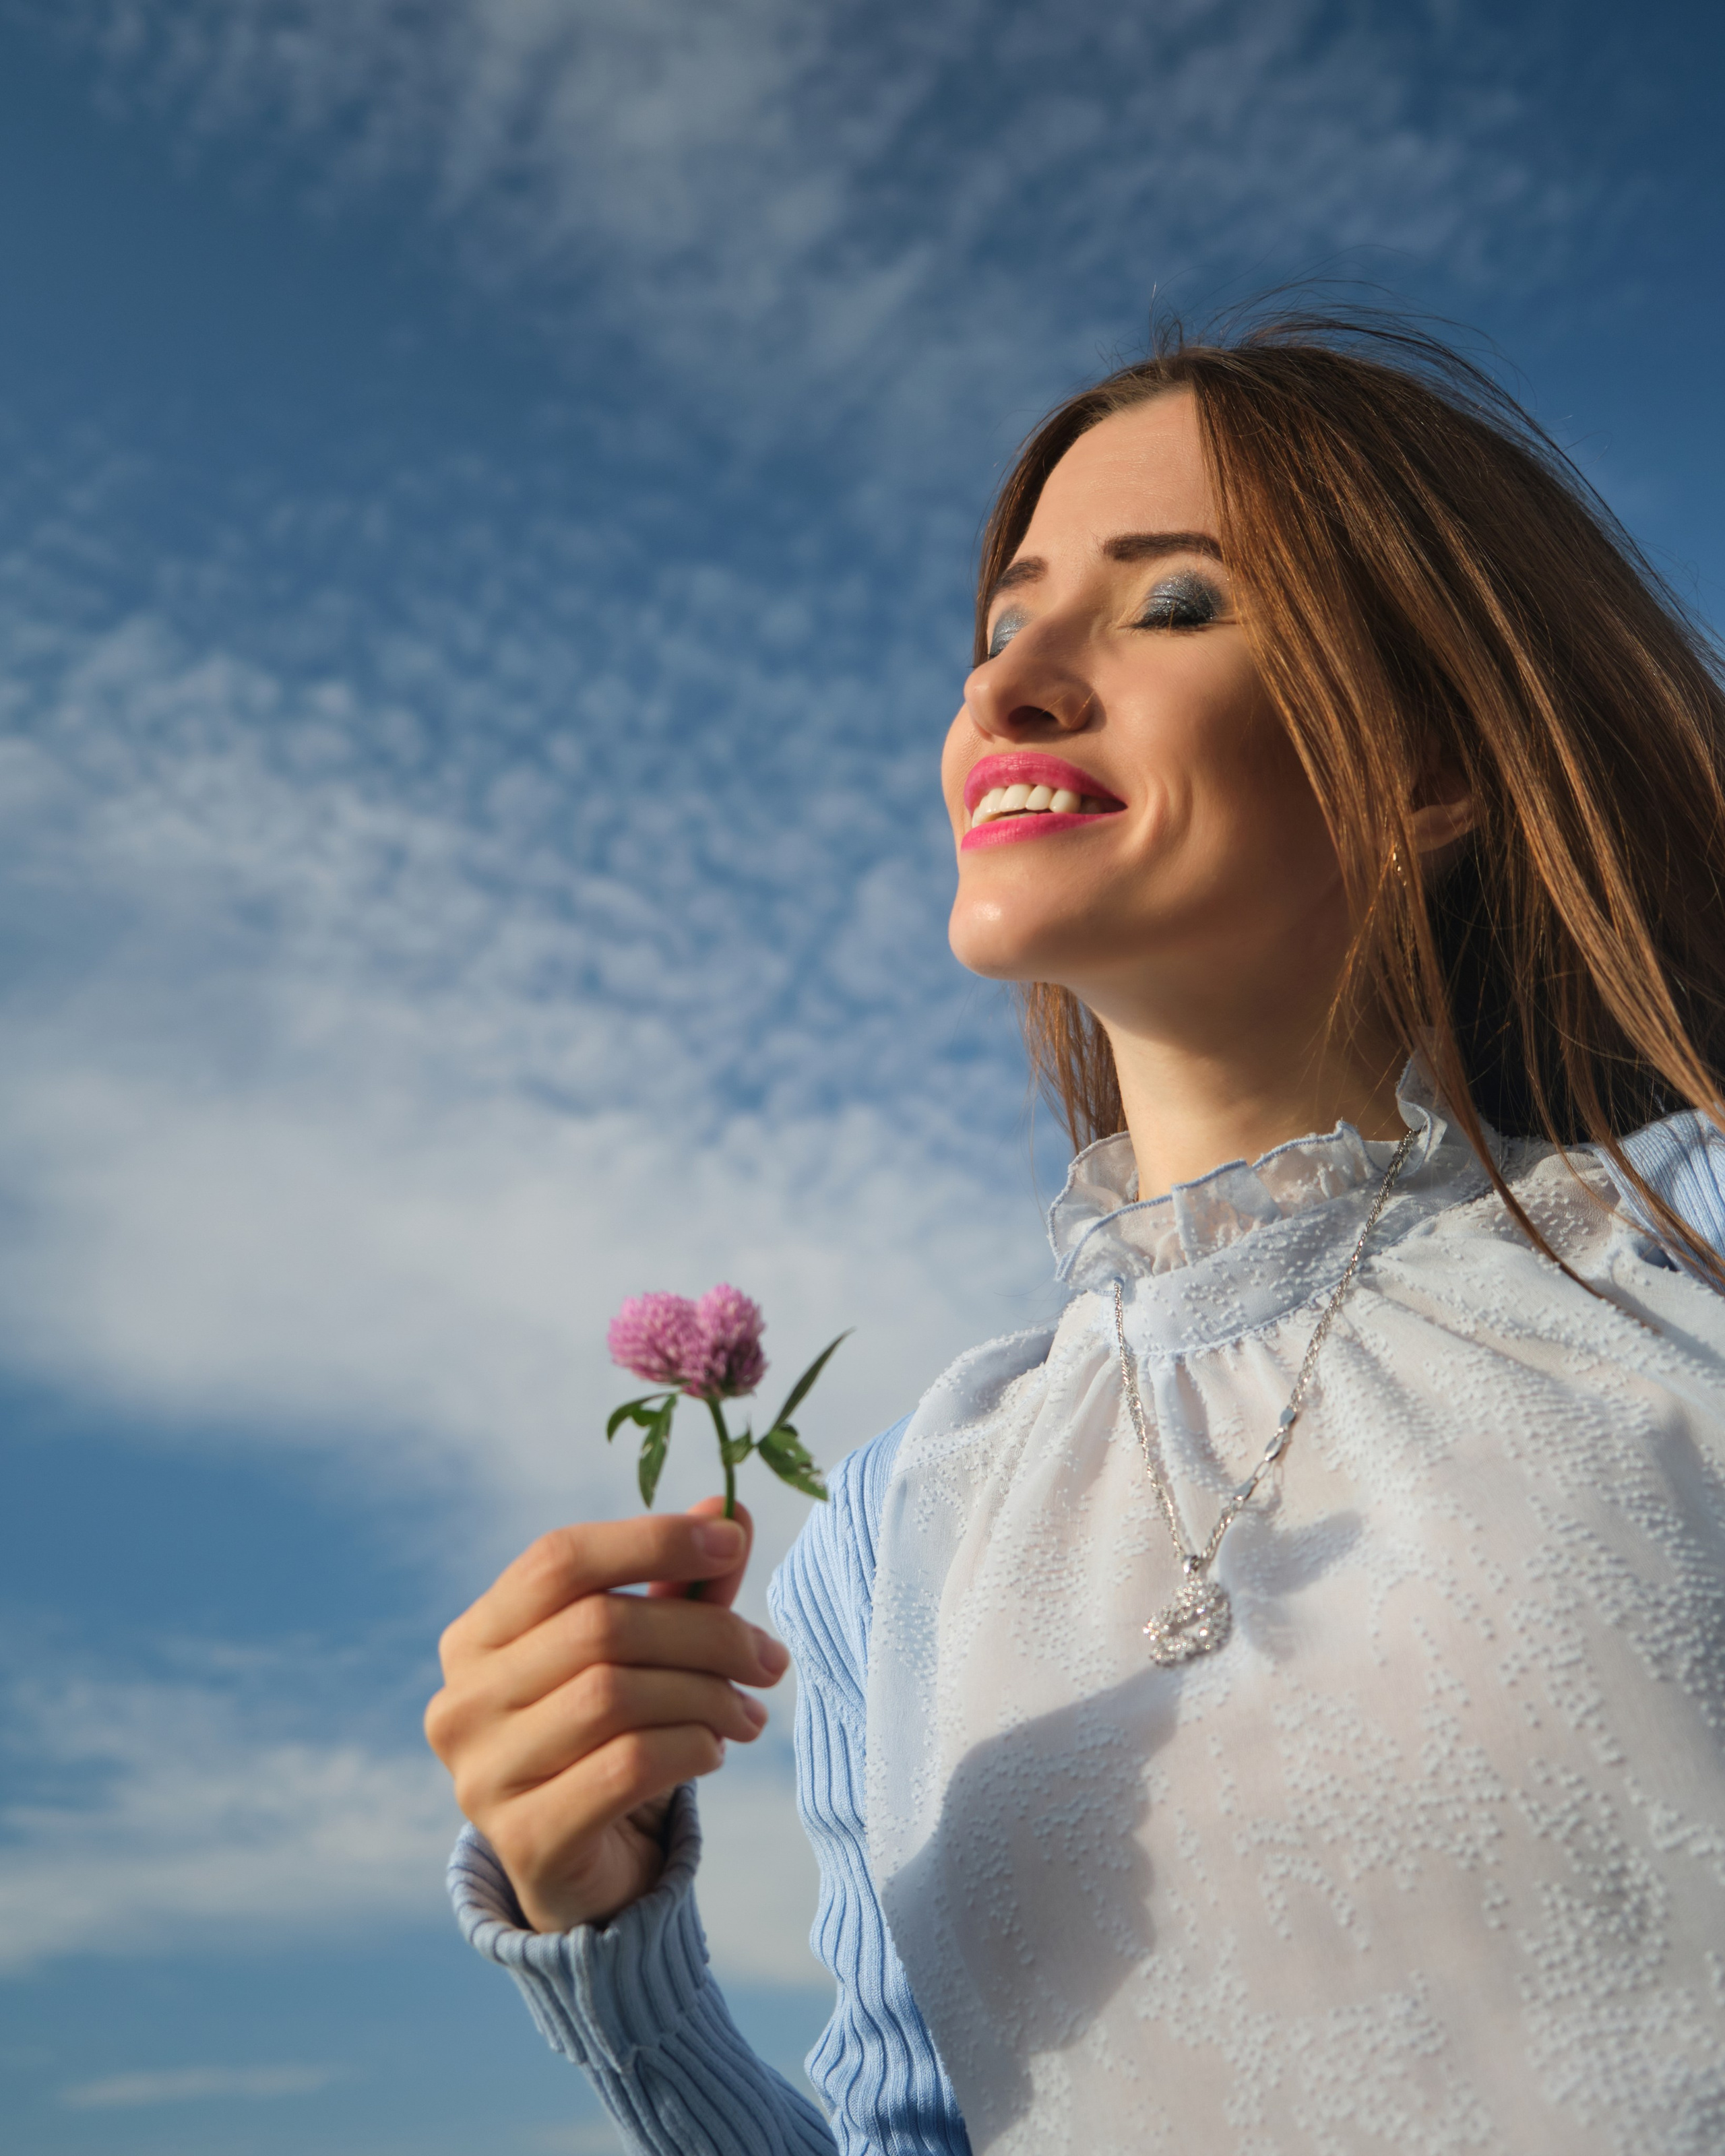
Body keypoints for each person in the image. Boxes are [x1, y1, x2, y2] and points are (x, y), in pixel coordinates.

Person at [423, 314, 1725, 2155]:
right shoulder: (888, 1536)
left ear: (1430, 766)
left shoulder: (1689, 1242)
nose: (1012, 684)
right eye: (997, 627)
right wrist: (604, 1950)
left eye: (1176, 604)